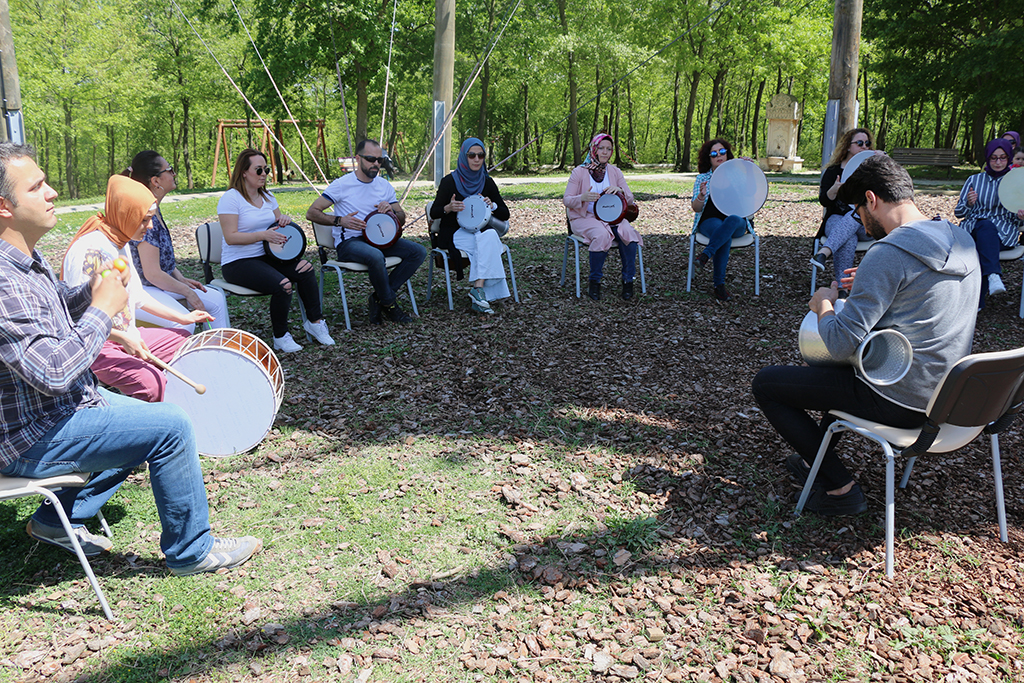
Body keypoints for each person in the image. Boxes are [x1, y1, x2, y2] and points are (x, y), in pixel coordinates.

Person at [0, 143, 260, 574]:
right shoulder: (4, 279)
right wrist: (103, 310)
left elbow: (57, 307)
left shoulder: (25, 259)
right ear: (4, 207)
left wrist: (92, 291)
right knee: (170, 424)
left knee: (143, 418)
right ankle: (192, 552)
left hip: (60, 412)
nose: (51, 193)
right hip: (31, 436)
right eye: (37, 186)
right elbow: (53, 371)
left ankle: (52, 520)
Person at [752, 154, 981, 515]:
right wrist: (881, 282)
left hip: (898, 398)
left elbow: (842, 341)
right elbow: (925, 300)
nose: (860, 221)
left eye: (859, 211)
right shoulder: (960, 238)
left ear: (871, 199)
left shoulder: (887, 252)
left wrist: (824, 303)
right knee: (832, 377)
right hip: (948, 397)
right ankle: (818, 462)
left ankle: (842, 490)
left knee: (767, 384)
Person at [62, 175, 213, 403]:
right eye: (144, 220)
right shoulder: (90, 250)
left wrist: (183, 318)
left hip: (128, 336)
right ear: (126, 215)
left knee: (189, 347)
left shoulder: (120, 242)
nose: (150, 226)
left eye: (151, 218)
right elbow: (77, 320)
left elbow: (138, 298)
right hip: (96, 346)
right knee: (153, 386)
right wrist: (123, 338)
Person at [217, 148, 334, 351]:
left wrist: (284, 221)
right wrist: (262, 235)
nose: (264, 175)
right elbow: (231, 237)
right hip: (238, 262)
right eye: (259, 170)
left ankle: (315, 323)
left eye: (266, 170)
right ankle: (280, 336)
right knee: (284, 285)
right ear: (244, 172)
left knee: (305, 268)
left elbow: (277, 226)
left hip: (268, 257)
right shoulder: (231, 198)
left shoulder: (269, 197)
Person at [306, 139, 426, 324]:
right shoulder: (341, 185)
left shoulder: (384, 185)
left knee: (418, 252)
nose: (376, 164)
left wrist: (392, 210)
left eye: (380, 160)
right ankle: (391, 305)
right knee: (376, 256)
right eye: (371, 159)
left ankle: (378, 298)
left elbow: (401, 217)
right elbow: (312, 212)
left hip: (381, 240)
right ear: (358, 158)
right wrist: (339, 221)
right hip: (350, 243)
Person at [125, 150, 230, 333]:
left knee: (216, 300)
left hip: (156, 284)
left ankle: (218, 353)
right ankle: (177, 360)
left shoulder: (154, 208)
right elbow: (152, 274)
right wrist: (185, 291)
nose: (174, 174)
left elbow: (161, 256)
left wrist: (180, 279)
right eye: (170, 170)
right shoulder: (144, 214)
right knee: (185, 322)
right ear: (155, 181)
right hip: (142, 289)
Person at [428, 137, 511, 314]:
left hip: (479, 233)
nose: (476, 159)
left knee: (489, 237)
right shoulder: (449, 181)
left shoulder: (487, 182)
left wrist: (493, 205)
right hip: (453, 232)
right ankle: (481, 293)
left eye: (480, 155)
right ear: (464, 157)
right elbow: (434, 212)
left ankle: (478, 289)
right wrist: (448, 208)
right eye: (471, 155)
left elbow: (505, 214)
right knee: (486, 244)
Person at [562, 133, 642, 301]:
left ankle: (628, 281)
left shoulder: (615, 171)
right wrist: (582, 198)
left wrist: (619, 190)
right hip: (585, 218)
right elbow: (567, 200)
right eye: (601, 148)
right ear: (594, 149)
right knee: (601, 234)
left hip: (613, 217)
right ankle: (595, 281)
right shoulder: (579, 172)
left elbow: (630, 198)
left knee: (628, 232)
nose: (605, 152)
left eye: (609, 149)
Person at [953, 138, 1024, 308]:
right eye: (993, 158)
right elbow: (958, 213)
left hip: (1003, 234)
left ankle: (975, 302)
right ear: (987, 158)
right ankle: (993, 276)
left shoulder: (1016, 181)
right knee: (984, 226)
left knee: (983, 240)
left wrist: (1021, 216)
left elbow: (1017, 215)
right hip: (973, 229)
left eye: (1002, 157)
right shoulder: (974, 180)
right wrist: (969, 204)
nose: (998, 162)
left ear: (1009, 158)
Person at [690, 138, 753, 301]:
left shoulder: (738, 174)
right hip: (710, 222)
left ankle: (705, 255)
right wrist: (702, 195)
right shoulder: (702, 178)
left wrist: (750, 169)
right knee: (722, 234)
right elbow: (696, 208)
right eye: (713, 153)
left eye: (722, 152)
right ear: (708, 158)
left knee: (730, 221)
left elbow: (752, 194)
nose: (719, 155)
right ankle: (719, 286)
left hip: (736, 222)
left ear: (727, 154)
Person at [810, 128, 875, 285]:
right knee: (849, 237)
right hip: (836, 220)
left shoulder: (873, 170)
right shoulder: (833, 171)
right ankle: (842, 287)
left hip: (866, 224)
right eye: (859, 143)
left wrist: (880, 158)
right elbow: (824, 201)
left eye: (867, 143)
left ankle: (824, 252)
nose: (864, 146)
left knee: (856, 214)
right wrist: (834, 190)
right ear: (847, 146)